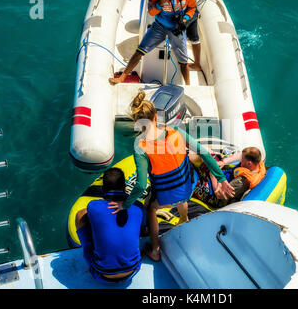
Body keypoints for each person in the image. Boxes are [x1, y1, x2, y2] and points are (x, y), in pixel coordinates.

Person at [108, 91, 235, 262]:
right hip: (188, 188)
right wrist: (221, 178)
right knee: (180, 190)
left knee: (150, 207)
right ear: (155, 116)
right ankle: (184, 218)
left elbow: (139, 185)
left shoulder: (140, 146)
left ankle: (155, 249)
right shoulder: (175, 131)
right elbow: (204, 153)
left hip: (166, 197)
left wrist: (125, 204)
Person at [75, 167, 146, 285]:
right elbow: (142, 232)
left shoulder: (93, 206)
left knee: (80, 215)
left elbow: (86, 215)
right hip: (133, 271)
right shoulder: (138, 207)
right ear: (124, 188)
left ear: (103, 189)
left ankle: (90, 255)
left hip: (101, 275)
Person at [109, 0, 196, 85]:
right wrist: (160, 3)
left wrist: (184, 19)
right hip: (159, 27)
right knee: (140, 51)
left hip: (177, 28)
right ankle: (122, 78)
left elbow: (192, 7)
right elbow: (151, 12)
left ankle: (188, 85)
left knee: (184, 61)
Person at [191, 146, 267, 208]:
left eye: (242, 159)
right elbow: (240, 154)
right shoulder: (257, 165)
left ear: (249, 163)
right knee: (205, 150)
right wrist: (223, 162)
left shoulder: (241, 182)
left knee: (189, 170)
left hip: (213, 194)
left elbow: (220, 195)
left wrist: (213, 175)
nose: (240, 159)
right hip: (219, 175)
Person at [186, 0, 201, 71]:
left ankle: (183, 64)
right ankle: (197, 64)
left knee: (177, 34)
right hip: (192, 8)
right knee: (194, 37)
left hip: (184, 8)